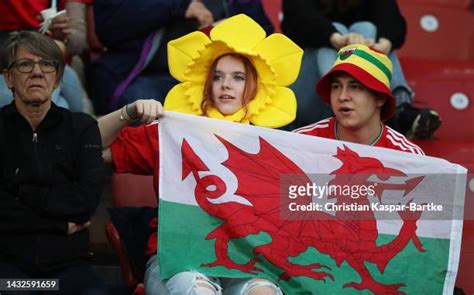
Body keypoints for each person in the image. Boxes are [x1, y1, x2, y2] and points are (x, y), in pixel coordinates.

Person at [98, 14, 302, 294]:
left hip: (245, 265)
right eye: (217, 76)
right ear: (206, 83)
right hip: (179, 261)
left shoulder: (274, 144)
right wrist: (127, 113)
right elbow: (90, 147)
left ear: (255, 87)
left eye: (238, 77)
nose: (225, 84)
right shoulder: (172, 131)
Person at [0, 31, 108, 294]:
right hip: (9, 268)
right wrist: (57, 224)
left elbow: (85, 203)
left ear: (58, 79)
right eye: (25, 64)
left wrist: (22, 193)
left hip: (70, 268)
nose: (37, 72)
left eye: (47, 64)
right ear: (9, 78)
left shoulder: (82, 128)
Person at [282, 0, 441, 139]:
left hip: (358, 105)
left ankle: (400, 110)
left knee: (367, 29)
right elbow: (298, 21)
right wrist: (335, 38)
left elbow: (391, 18)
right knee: (334, 32)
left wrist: (383, 45)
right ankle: (351, 107)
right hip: (308, 99)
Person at [88, 0, 274, 114]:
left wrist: (234, 28)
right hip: (149, 78)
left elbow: (264, 31)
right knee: (143, 104)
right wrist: (178, 5)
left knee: (266, 110)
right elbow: (109, 25)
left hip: (215, 81)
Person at [294, 43, 424, 156]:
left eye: (355, 87)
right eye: (336, 86)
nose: (342, 96)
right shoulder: (300, 143)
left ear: (380, 97)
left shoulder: (408, 156)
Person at [0, 0, 91, 112]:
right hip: (9, 62)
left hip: (58, 66)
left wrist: (62, 36)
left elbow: (76, 42)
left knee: (65, 106)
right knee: (61, 106)